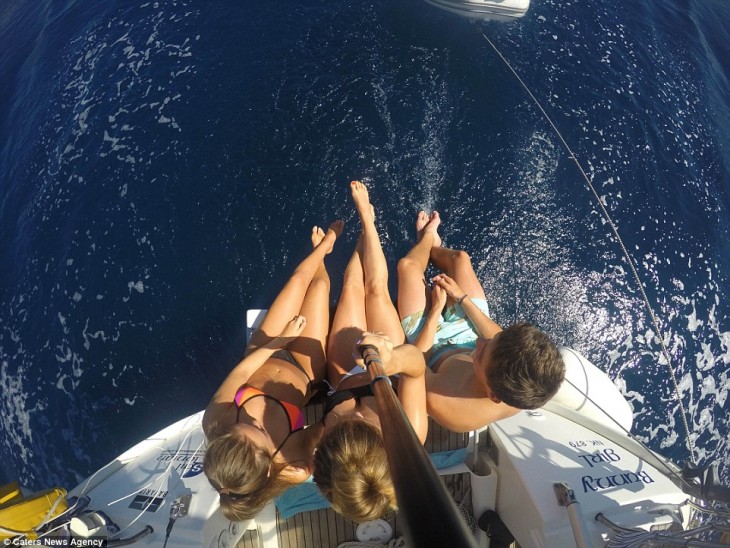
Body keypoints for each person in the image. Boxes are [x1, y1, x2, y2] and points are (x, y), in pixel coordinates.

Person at [203, 220, 343, 521]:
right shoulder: (290, 464)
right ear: (268, 467)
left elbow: (240, 375)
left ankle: (325, 244)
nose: (255, 417)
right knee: (320, 287)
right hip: (305, 371)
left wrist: (280, 340)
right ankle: (323, 253)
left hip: (264, 352)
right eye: (260, 429)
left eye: (244, 423)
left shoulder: (215, 423)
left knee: (298, 280)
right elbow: (320, 430)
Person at [313, 181, 428, 523]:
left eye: (349, 424)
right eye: (366, 426)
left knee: (350, 286)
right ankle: (368, 221)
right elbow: (418, 366)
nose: (360, 417)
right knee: (376, 291)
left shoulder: (324, 451)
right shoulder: (412, 434)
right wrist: (390, 356)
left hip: (344, 373)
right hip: (387, 363)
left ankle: (363, 237)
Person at [396, 211, 565, 432]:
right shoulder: (517, 375)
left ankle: (426, 239)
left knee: (407, 266)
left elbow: (415, 364)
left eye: (482, 354)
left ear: (492, 395)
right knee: (460, 258)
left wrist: (437, 310)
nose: (480, 342)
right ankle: (432, 246)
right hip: (465, 330)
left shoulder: (451, 407)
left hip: (429, 345)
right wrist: (461, 297)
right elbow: (493, 335)